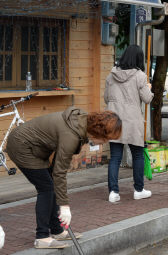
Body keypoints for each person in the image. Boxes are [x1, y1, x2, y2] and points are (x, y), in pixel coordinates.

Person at [5, 107, 122, 249]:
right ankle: (42, 237)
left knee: (52, 185)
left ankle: (56, 230)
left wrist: (61, 199)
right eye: (106, 139)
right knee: (46, 189)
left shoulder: (82, 123)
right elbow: (59, 172)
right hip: (21, 146)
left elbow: (56, 169)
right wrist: (64, 206)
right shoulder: (71, 136)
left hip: (33, 146)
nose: (105, 143)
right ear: (99, 132)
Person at [104, 45, 154, 203]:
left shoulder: (111, 75)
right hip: (132, 120)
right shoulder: (140, 76)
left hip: (113, 119)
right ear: (138, 58)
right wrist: (149, 88)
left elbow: (107, 98)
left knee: (115, 157)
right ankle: (138, 190)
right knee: (138, 155)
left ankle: (113, 192)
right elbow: (147, 99)